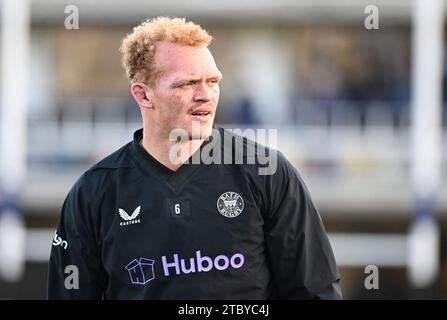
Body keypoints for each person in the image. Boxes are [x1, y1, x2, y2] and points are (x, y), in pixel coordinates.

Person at [47, 16, 342, 299]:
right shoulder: (93, 193)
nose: (206, 95)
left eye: (213, 81)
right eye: (187, 84)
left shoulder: (267, 173)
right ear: (143, 95)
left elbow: (316, 292)